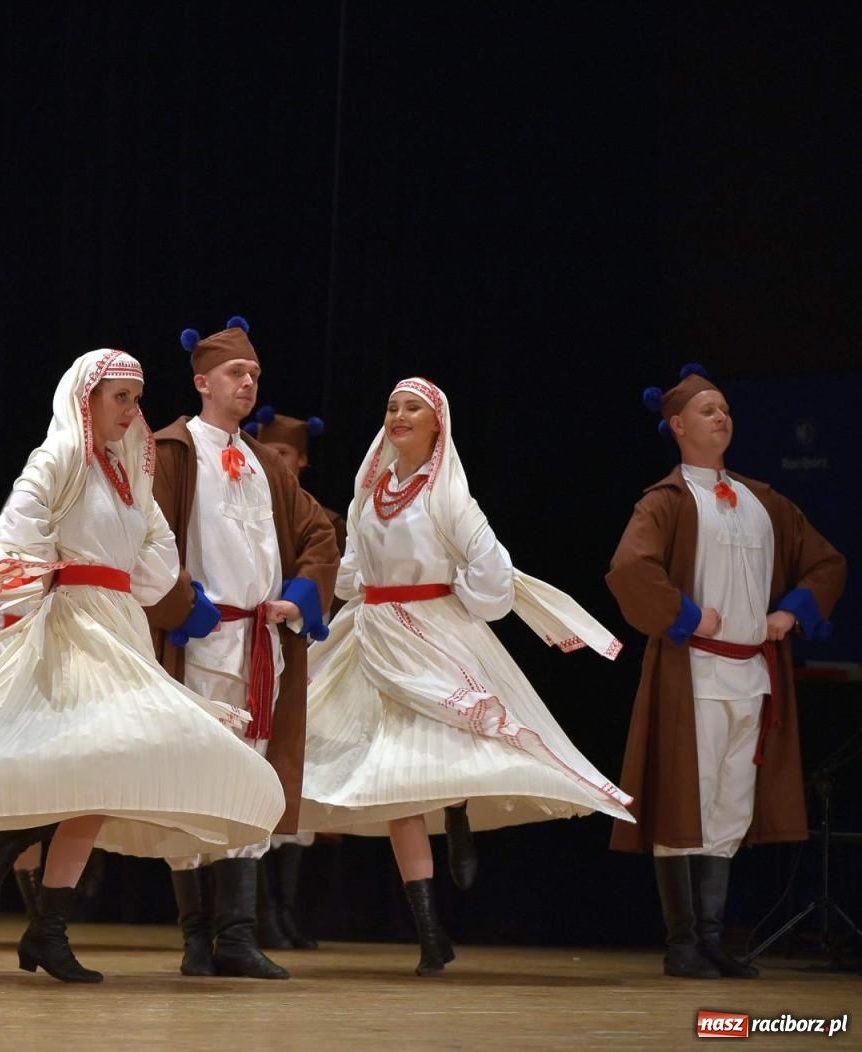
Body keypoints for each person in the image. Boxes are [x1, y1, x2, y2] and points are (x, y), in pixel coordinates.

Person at [0, 348, 285, 983]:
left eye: (137, 397)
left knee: (102, 772)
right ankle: (41, 908)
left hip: (120, 624)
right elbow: (19, 530)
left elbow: (155, 555)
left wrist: (156, 573)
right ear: (86, 399)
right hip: (75, 624)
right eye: (120, 397)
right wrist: (29, 575)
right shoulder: (60, 457)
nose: (132, 409)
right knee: (93, 766)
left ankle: (38, 901)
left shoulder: (131, 473)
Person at [299, 376, 633, 975]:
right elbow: (352, 565)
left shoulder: (450, 496)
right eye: (392, 406)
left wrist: (455, 599)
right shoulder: (368, 488)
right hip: (374, 636)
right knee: (395, 783)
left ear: (437, 425)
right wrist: (338, 604)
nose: (399, 415)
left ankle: (454, 806)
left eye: (413, 408)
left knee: (445, 757)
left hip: (430, 634)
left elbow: (491, 574)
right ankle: (431, 935)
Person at [608, 365, 845, 979]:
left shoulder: (765, 501)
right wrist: (688, 615)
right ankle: (683, 941)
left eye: (726, 409)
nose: (723, 417)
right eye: (708, 409)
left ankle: (712, 938)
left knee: (729, 807)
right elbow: (631, 569)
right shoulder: (667, 501)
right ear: (678, 425)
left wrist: (790, 614)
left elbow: (826, 563)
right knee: (686, 802)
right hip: (695, 675)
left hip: (753, 678)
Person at [143, 320, 340, 980]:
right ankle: (197, 937)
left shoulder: (262, 461)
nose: (248, 382)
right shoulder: (174, 451)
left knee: (249, 781)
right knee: (193, 783)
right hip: (199, 644)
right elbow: (146, 538)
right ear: (203, 382)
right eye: (235, 373)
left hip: (259, 647)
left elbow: (320, 533)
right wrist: (180, 603)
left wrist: (302, 595)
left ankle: (236, 934)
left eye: (254, 374)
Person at [243, 401, 346, 951]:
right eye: (268, 450)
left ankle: (281, 911)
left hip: (306, 652)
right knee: (254, 773)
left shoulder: (320, 518)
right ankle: (254, 912)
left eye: (283, 453)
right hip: (249, 646)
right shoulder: (244, 503)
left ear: (301, 460)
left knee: (291, 785)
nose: (274, 460)